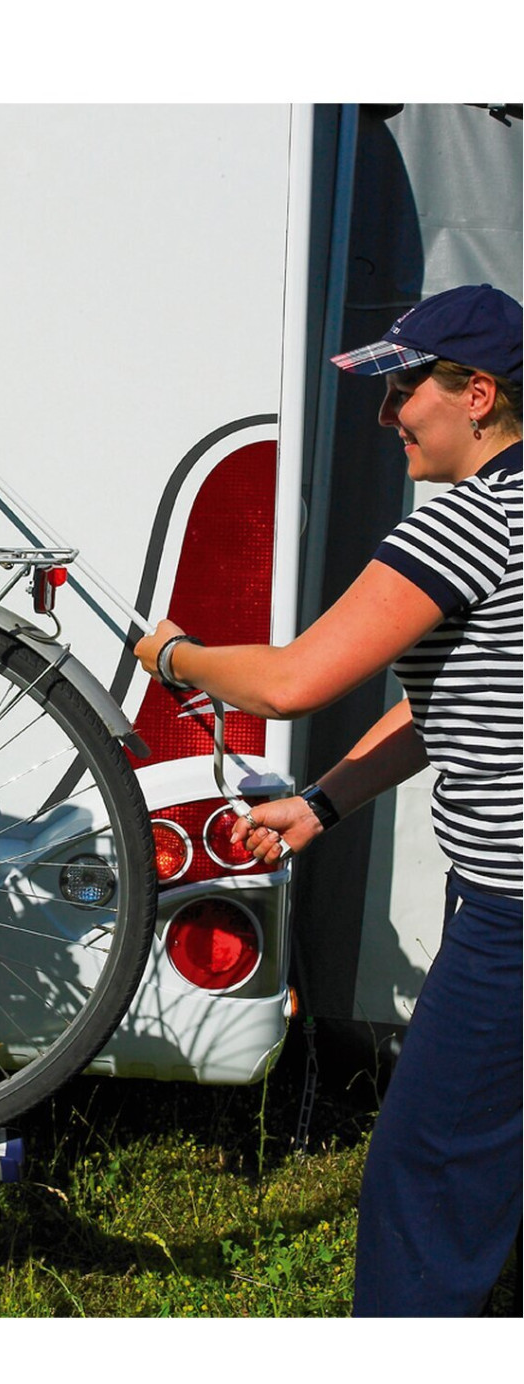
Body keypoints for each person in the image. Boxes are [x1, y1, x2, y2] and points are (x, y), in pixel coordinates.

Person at [134, 283, 521, 1317]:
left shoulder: (470, 525)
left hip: (514, 913)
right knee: (485, 1143)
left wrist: (173, 653)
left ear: (476, 393)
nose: (387, 416)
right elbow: (458, 700)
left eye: (403, 390)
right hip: (503, 897)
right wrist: (323, 803)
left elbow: (292, 680)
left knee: (424, 1167)